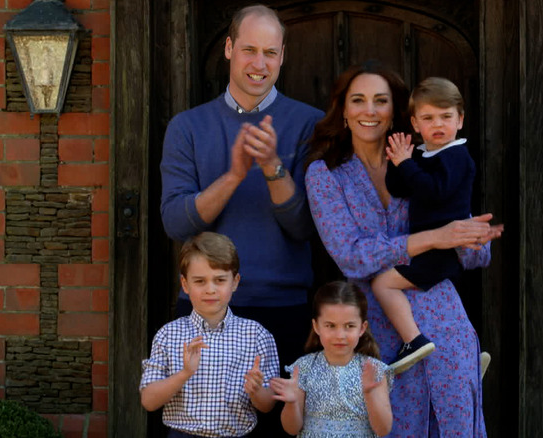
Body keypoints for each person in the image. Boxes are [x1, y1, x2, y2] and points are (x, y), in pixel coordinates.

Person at [304, 61, 501, 437]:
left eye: (381, 101)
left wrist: (473, 239)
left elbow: (472, 249)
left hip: (444, 318)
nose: (370, 110)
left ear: (395, 111)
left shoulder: (426, 159)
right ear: (343, 111)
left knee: (455, 424)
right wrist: (432, 238)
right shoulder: (326, 174)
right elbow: (351, 255)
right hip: (375, 325)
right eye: (358, 100)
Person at [159, 5, 323, 436]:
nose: (259, 63)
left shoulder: (311, 125)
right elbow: (176, 223)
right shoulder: (187, 127)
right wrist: (233, 175)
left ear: (283, 56)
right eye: (249, 49)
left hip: (283, 311)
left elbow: (308, 226)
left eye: (270, 52)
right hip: (205, 312)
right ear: (229, 48)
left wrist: (271, 167)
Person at [371, 77, 501, 374]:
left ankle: (412, 341)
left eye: (446, 117)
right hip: (430, 244)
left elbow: (433, 191)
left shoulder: (457, 157)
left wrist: (407, 163)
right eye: (429, 118)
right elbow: (399, 187)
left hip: (442, 249)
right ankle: (467, 359)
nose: (438, 124)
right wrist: (398, 160)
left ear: (460, 120)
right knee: (443, 307)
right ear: (416, 124)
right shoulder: (423, 154)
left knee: (383, 283)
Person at [140, 232, 279, 438]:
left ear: (235, 282)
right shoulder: (169, 335)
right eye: (200, 281)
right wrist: (184, 374)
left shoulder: (257, 335)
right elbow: (149, 401)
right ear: (185, 284)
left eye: (220, 280)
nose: (210, 289)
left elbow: (268, 406)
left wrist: (256, 391)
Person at [270, 281, 393, 437]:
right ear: (316, 326)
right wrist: (292, 403)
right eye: (330, 325)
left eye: (349, 326)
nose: (340, 335)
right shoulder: (303, 367)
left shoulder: (373, 370)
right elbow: (292, 429)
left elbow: (383, 430)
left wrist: (370, 395)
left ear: (362, 328)